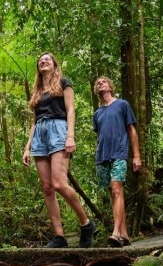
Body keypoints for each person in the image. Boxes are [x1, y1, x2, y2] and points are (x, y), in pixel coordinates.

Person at [22, 53, 95, 248]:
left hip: (58, 130)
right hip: (40, 134)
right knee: (47, 187)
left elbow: (71, 109)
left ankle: (86, 224)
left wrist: (70, 136)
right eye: (40, 60)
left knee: (59, 183)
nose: (42, 61)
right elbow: (34, 121)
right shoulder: (37, 91)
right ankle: (59, 237)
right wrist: (27, 147)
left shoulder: (64, 83)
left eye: (47, 59)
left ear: (55, 64)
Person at [92, 76, 141, 247]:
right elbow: (99, 136)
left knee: (117, 189)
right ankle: (125, 234)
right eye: (97, 83)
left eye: (103, 81)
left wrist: (136, 156)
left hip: (119, 153)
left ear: (110, 86)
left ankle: (116, 233)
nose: (100, 84)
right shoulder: (97, 113)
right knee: (113, 194)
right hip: (102, 157)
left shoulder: (122, 105)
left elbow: (131, 130)